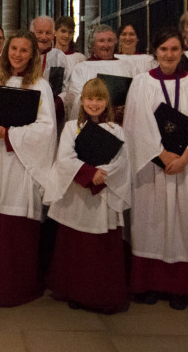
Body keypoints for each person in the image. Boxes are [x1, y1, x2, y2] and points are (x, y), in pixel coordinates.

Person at [123, 27, 188, 310]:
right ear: (155, 52)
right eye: (164, 49)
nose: (170, 55)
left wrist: (185, 156)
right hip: (153, 166)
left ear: (182, 52)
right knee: (152, 223)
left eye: (175, 49)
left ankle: (182, 288)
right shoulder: (141, 82)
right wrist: (161, 154)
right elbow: (136, 123)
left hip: (185, 167)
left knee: (186, 224)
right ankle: (148, 284)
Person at [0, 31, 56, 306]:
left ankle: (17, 287)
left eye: (24, 50)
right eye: (14, 49)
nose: (18, 55)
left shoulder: (40, 86)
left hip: (23, 165)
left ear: (33, 55)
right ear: (6, 51)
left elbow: (46, 130)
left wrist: (9, 133)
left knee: (17, 230)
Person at [44, 78, 131, 314]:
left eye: (99, 99)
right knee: (76, 248)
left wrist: (102, 175)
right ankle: (75, 291)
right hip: (78, 194)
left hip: (103, 195)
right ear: (82, 100)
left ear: (107, 102)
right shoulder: (73, 127)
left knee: (100, 249)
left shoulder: (117, 129)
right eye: (90, 98)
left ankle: (101, 295)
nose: (94, 103)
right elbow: (65, 158)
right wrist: (89, 174)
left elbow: (122, 162)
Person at [65, 25, 148, 123]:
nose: (106, 45)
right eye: (101, 41)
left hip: (121, 123)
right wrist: (102, 109)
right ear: (93, 44)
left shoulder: (126, 66)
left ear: (115, 42)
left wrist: (126, 108)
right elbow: (74, 99)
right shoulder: (82, 68)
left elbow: (135, 95)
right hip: (92, 123)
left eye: (110, 40)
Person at [31, 16, 72, 128]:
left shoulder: (59, 57)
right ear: (32, 33)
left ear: (53, 34)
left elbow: (66, 87)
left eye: (48, 33)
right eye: (39, 32)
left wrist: (57, 102)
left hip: (51, 111)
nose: (43, 37)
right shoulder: (25, 54)